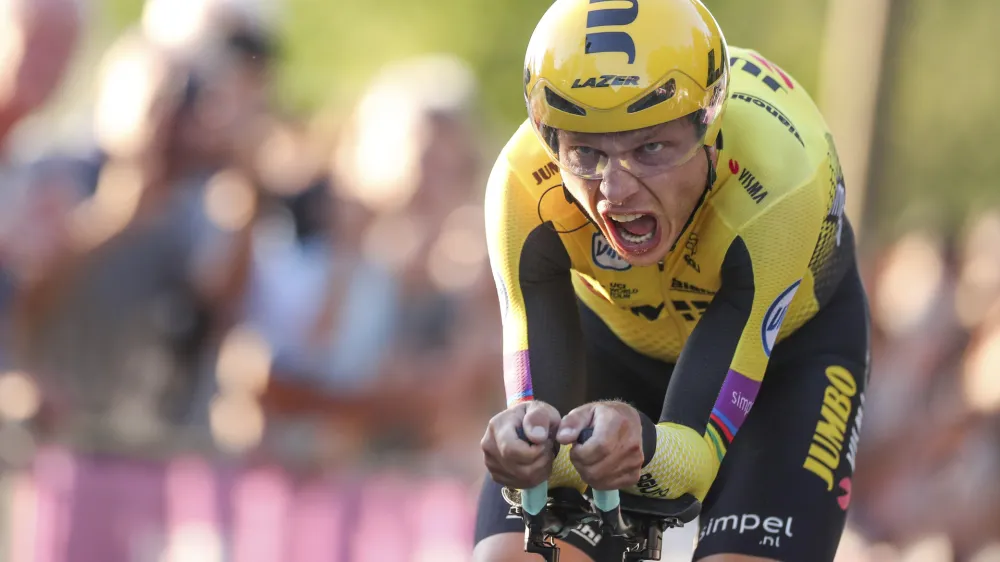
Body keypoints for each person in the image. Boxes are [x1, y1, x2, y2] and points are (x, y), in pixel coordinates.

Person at [474, 0, 870, 561]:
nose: (616, 190)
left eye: (650, 147)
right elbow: (539, 454)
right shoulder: (521, 187)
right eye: (585, 151)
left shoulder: (779, 180)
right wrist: (523, 453)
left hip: (788, 359)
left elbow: (693, 465)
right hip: (612, 344)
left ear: (708, 124)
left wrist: (641, 445)